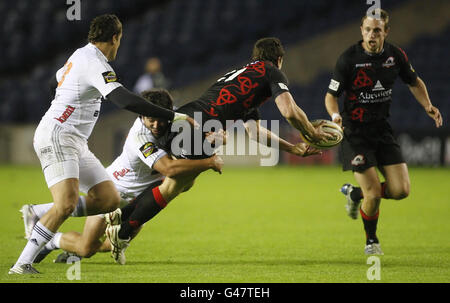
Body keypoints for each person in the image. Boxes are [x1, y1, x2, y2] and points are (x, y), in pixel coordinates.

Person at [105, 37, 334, 263]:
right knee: (175, 184)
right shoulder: (271, 71)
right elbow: (290, 111)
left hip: (187, 116)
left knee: (184, 183)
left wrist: (293, 148)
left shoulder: (243, 79)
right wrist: (311, 133)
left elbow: (254, 133)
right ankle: (123, 232)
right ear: (280, 59)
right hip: (201, 127)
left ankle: (121, 215)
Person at [9, 14, 194, 275]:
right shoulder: (96, 63)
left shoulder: (79, 55)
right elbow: (124, 100)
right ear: (116, 37)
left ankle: (37, 213)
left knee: (109, 198)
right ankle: (21, 265)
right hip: (59, 136)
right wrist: (171, 114)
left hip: (74, 141)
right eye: (119, 40)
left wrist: (62, 105)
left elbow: (55, 81)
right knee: (66, 204)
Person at [20, 89, 224, 264]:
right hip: (114, 192)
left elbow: (192, 149)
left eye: (160, 119)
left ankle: (48, 224)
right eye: (150, 119)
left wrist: (212, 141)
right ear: (141, 116)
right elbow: (169, 168)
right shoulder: (140, 136)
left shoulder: (176, 123)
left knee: (109, 245)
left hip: (139, 201)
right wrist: (209, 161)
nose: (156, 125)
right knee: (86, 248)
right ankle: (53, 241)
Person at [324, 9, 443, 255]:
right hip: (355, 133)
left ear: (386, 32)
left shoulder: (395, 55)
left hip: (382, 130)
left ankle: (355, 194)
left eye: (377, 30)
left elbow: (414, 81)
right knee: (375, 194)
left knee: (401, 191)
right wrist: (335, 116)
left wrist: (427, 105)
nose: (371, 34)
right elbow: (330, 96)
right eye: (367, 29)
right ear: (361, 30)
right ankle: (371, 241)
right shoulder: (348, 58)